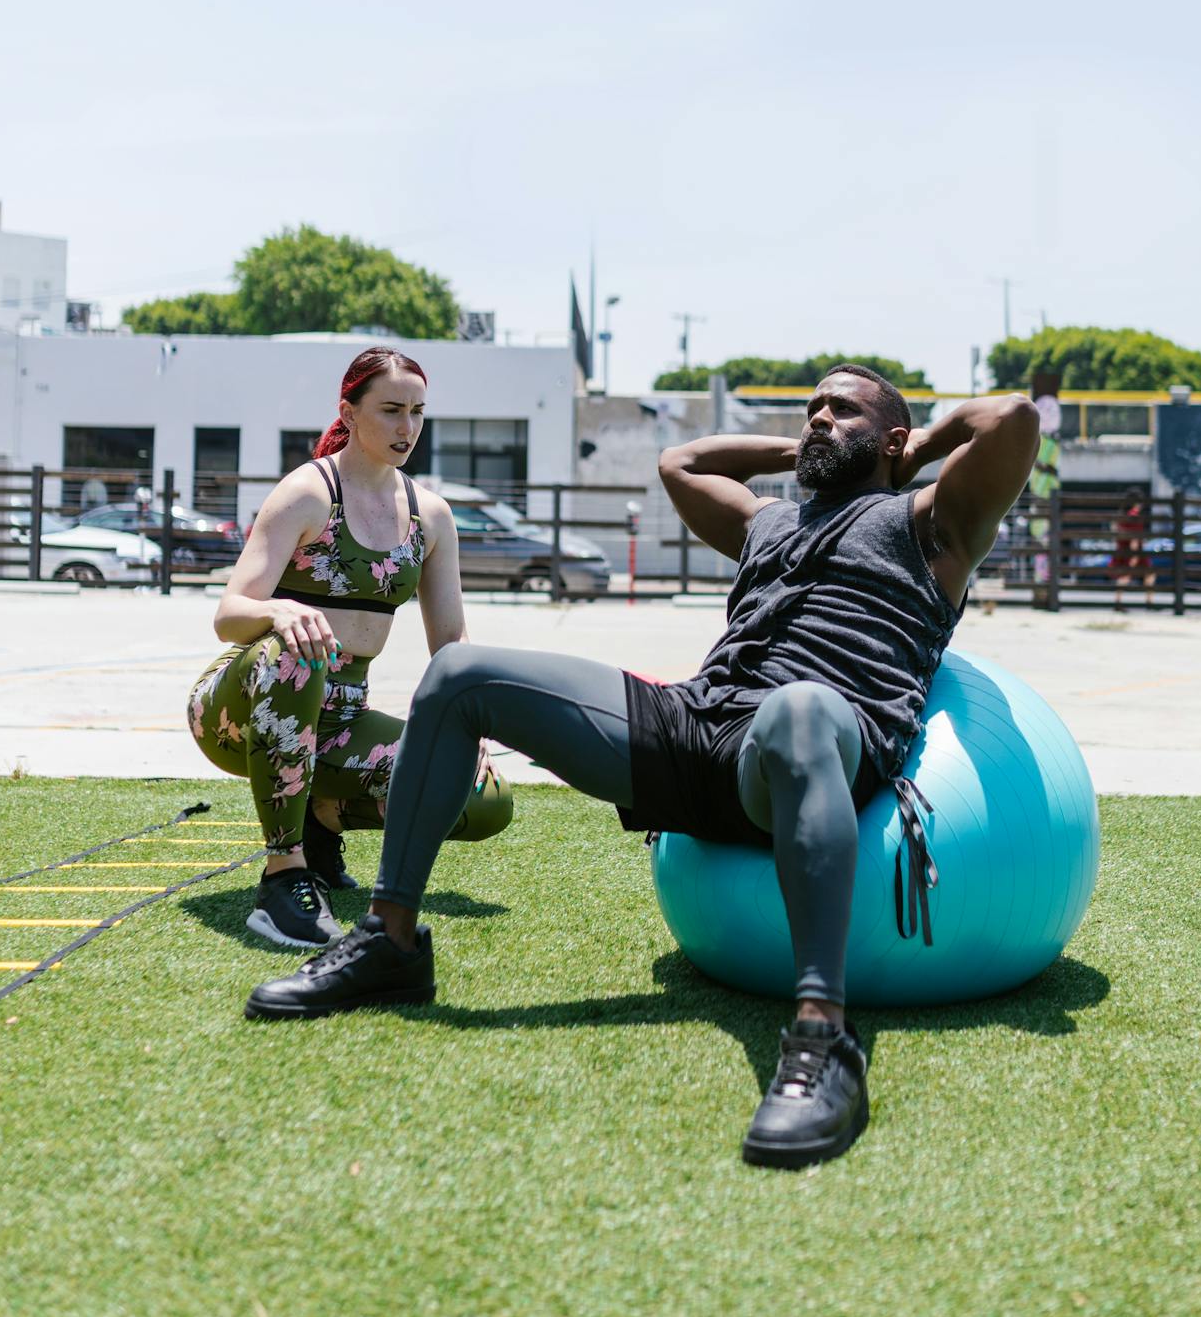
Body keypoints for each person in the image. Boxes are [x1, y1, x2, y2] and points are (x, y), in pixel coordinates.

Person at [245, 367, 1039, 1170]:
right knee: (459, 678)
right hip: (697, 724)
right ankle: (392, 941)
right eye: (812, 410)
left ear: (894, 439)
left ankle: (823, 1037)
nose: (820, 421)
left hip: (805, 747)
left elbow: (1009, 418)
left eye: (843, 412)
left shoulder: (931, 521)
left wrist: (914, 453)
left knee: (797, 709)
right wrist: (801, 445)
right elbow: (680, 464)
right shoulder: (768, 523)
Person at [186, 345, 511, 952]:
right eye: (390, 409)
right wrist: (281, 610)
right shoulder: (307, 494)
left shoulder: (431, 516)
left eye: (417, 412)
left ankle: (321, 815)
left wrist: (472, 723)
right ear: (350, 410)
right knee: (295, 651)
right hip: (240, 707)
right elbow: (230, 616)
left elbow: (451, 643)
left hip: (340, 721)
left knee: (482, 799)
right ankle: (283, 878)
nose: (406, 427)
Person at [1111, 488, 1155, 610]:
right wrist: (1134, 556)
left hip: (1122, 548)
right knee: (1134, 575)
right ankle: (1149, 603)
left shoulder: (1121, 515)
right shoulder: (1135, 516)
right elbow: (1134, 538)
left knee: (1128, 575)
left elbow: (1115, 531)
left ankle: (1118, 602)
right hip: (1134, 550)